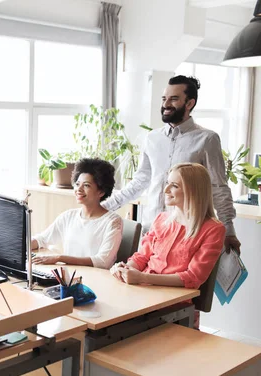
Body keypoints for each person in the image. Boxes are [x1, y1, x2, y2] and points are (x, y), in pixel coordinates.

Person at [102, 75, 240, 255]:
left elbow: (218, 187)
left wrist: (229, 229)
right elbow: (140, 181)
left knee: (180, 281)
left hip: (187, 233)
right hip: (151, 230)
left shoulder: (207, 139)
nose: (166, 104)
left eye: (174, 99)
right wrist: (104, 207)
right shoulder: (152, 138)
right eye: (164, 98)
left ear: (189, 103)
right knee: (140, 279)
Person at [110, 163, 225, 328]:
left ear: (193, 191)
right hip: (142, 296)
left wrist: (142, 277)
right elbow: (142, 256)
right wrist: (126, 269)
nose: (166, 190)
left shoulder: (214, 229)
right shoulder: (161, 219)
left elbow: (192, 278)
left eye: (175, 185)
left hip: (174, 308)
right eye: (167, 183)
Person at [31, 158, 123, 270]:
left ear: (101, 191)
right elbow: (42, 239)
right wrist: (18, 244)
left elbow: (103, 261)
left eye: (86, 185)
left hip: (95, 282)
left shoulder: (113, 222)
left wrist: (60, 258)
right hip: (69, 279)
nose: (79, 189)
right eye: (77, 184)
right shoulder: (68, 216)